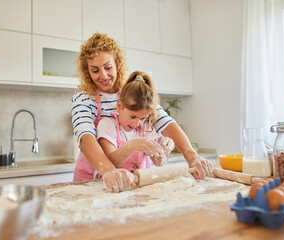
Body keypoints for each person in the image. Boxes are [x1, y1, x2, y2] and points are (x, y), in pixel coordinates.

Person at [71, 33, 213, 192]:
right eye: (95, 70)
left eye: (108, 67)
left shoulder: (131, 92)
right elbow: (85, 136)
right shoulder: (83, 98)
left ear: (117, 63)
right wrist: (109, 170)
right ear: (87, 71)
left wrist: (192, 157)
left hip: (128, 181)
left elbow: (164, 121)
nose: (103, 75)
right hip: (91, 181)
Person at [97, 71, 175, 173]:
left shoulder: (146, 128)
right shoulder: (107, 125)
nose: (137, 123)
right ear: (119, 106)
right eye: (132, 116)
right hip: (115, 185)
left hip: (139, 185)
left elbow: (158, 162)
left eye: (143, 118)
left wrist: (166, 149)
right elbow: (111, 161)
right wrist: (131, 145)